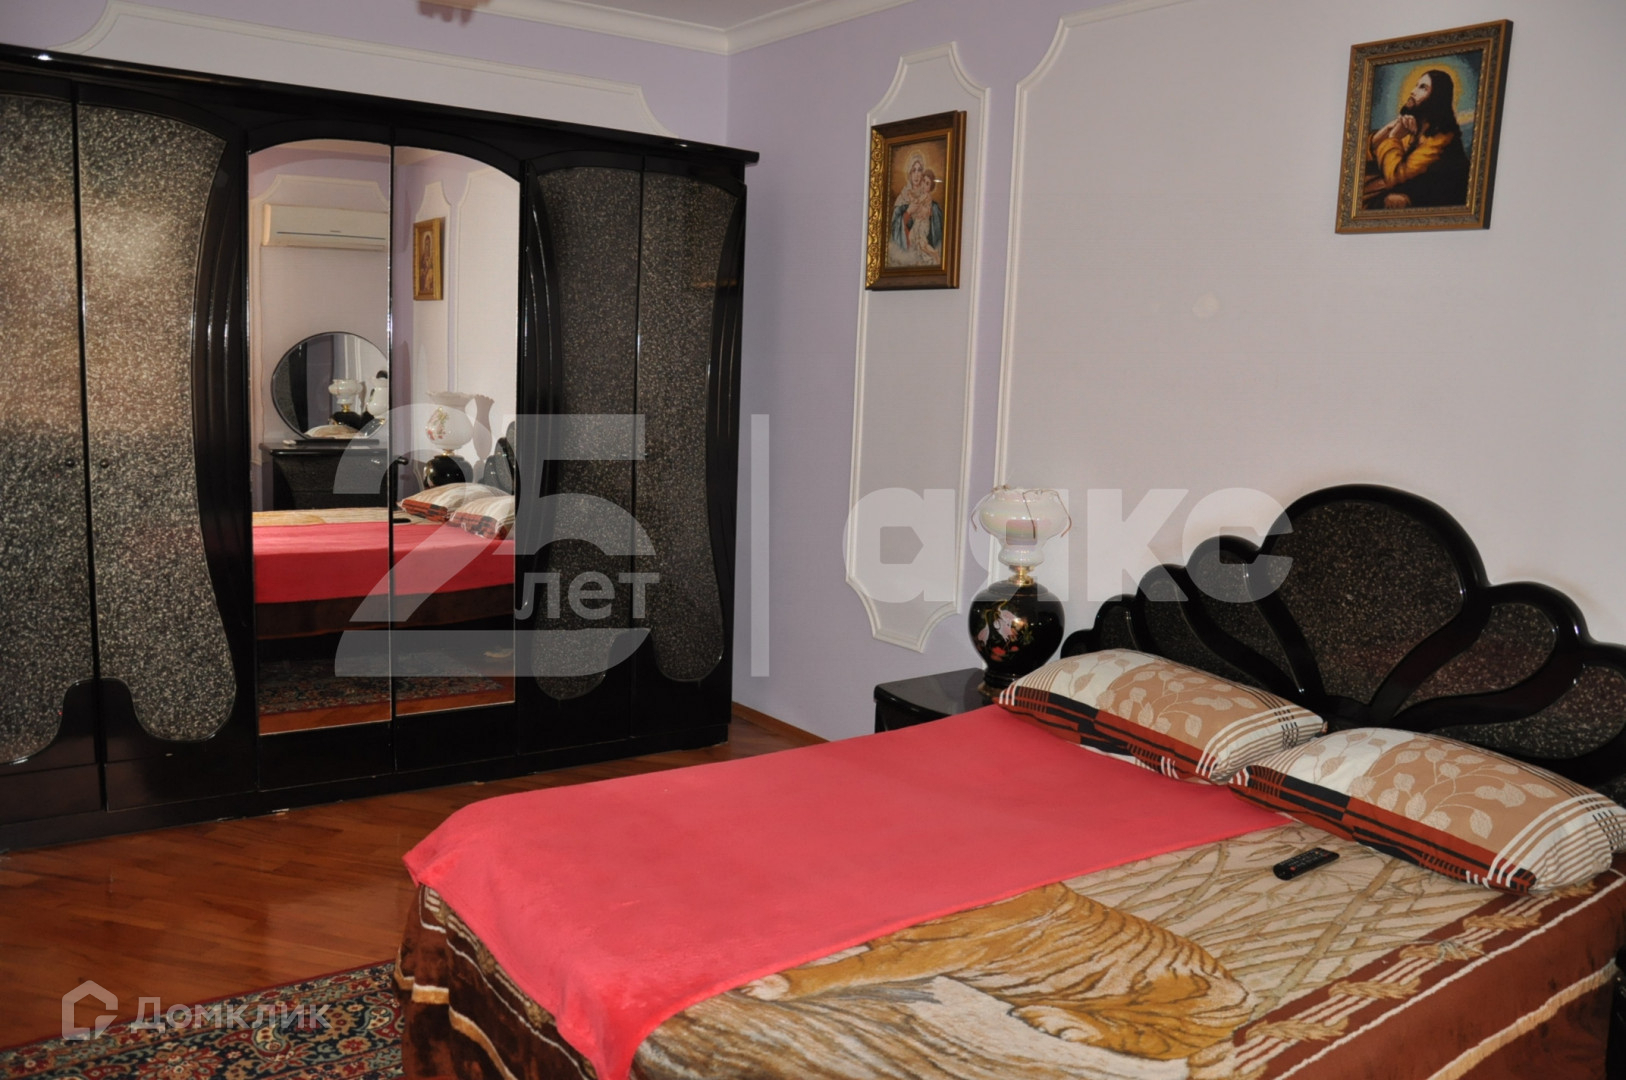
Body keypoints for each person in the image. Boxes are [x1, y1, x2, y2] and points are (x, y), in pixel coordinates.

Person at [1362, 69, 1470, 210]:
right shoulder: (1414, 128)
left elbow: (1395, 177)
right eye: (1416, 85)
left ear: (1437, 98)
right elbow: (1362, 161)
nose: (1413, 91)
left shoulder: (1440, 140)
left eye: (1423, 88)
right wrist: (1382, 134)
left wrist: (1393, 138)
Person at [888, 152, 943, 266]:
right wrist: (908, 212)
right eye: (914, 170)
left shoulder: (928, 199)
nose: (917, 175)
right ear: (909, 173)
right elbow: (894, 228)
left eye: (919, 170)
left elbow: (937, 228)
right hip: (908, 252)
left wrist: (930, 213)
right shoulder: (902, 198)